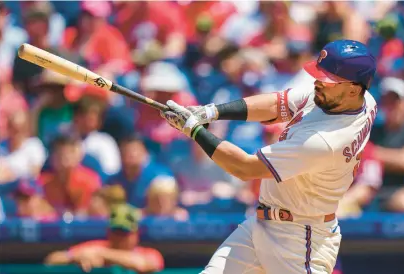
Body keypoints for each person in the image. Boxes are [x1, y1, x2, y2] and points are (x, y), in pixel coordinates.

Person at [160, 39, 378, 274]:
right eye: (319, 75)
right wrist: (209, 112)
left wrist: (194, 130)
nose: (318, 83)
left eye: (327, 80)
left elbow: (244, 168)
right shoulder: (359, 99)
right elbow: (277, 104)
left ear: (353, 88)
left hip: (299, 240)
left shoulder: (325, 141)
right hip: (262, 224)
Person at [44, 203, 164, 273]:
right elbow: (52, 260)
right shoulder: (96, 247)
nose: (120, 237)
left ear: (136, 233)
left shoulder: (148, 253)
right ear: (108, 231)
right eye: (116, 231)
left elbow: (143, 264)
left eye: (125, 232)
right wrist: (76, 257)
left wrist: (102, 255)